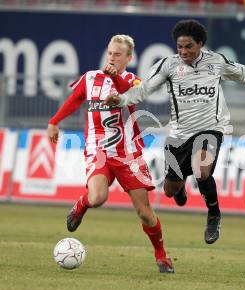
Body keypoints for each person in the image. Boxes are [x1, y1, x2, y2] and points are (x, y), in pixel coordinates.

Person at [103, 19, 245, 245]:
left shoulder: (216, 62)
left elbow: (243, 73)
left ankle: (214, 215)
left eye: (189, 47)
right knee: (170, 190)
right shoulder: (168, 65)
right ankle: (180, 184)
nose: (184, 51)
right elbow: (144, 90)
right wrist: (121, 99)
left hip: (210, 129)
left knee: (202, 169)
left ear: (200, 44)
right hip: (179, 134)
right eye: (180, 47)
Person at [47, 35, 174, 273]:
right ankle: (80, 206)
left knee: (145, 213)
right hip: (98, 149)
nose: (112, 58)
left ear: (129, 58)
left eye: (118, 54)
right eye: (110, 53)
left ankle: (162, 256)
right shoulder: (90, 78)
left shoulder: (132, 81)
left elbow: (130, 94)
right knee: (97, 198)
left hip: (128, 154)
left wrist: (114, 78)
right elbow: (74, 100)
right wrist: (54, 121)